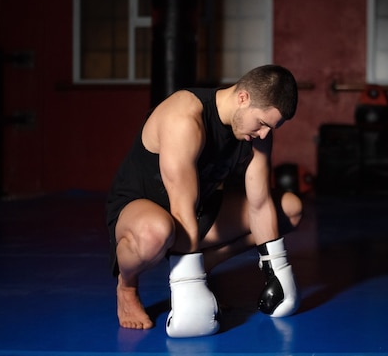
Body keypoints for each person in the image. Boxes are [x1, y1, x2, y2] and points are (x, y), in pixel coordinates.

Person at [105, 64, 303, 337]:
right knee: (157, 231)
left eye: (271, 127)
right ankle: (126, 285)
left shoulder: (256, 132)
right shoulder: (185, 118)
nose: (265, 134)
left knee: (290, 209)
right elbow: (181, 208)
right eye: (262, 124)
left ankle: (207, 261)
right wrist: (190, 285)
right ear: (243, 97)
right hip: (144, 211)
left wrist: (277, 269)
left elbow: (259, 203)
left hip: (201, 210)